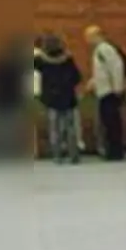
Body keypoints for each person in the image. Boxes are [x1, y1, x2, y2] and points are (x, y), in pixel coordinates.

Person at [33, 33, 83, 164]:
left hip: (51, 98)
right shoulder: (68, 59)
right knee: (71, 127)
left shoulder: (40, 60)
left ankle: (57, 156)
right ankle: (74, 155)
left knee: (54, 127)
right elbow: (77, 77)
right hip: (68, 97)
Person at [83, 26, 126, 160]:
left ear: (96, 35)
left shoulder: (105, 49)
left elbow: (116, 67)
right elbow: (103, 71)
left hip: (109, 92)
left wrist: (117, 88)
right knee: (107, 122)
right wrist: (94, 81)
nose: (87, 41)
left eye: (88, 37)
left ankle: (115, 151)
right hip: (104, 90)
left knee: (112, 123)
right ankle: (111, 149)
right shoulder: (99, 51)